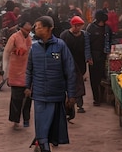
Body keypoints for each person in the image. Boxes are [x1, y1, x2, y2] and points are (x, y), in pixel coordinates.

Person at [25, 15, 77, 152]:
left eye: (40, 27)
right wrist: (27, 86)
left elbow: (70, 71)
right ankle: (43, 145)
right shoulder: (34, 48)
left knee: (53, 124)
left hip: (56, 94)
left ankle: (43, 143)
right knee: (41, 122)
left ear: (50, 29)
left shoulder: (60, 46)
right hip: (39, 94)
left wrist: (71, 94)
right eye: (36, 27)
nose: (36, 29)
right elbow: (29, 69)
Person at [3, 14, 33, 129]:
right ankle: (15, 120)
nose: (29, 28)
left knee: (28, 96)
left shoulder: (31, 38)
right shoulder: (14, 38)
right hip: (15, 71)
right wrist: (4, 69)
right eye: (27, 26)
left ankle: (26, 119)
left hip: (28, 71)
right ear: (21, 27)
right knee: (16, 98)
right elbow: (6, 53)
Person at [60, 15, 91, 115]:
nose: (78, 28)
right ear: (72, 25)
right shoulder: (65, 35)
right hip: (67, 63)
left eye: (80, 26)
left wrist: (88, 58)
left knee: (79, 84)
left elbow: (87, 47)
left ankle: (80, 105)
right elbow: (60, 49)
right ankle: (68, 105)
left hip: (80, 63)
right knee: (69, 84)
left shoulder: (84, 35)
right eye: (77, 26)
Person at [86, 10, 112, 106]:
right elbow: (87, 44)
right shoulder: (90, 28)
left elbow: (110, 41)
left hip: (103, 56)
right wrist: (88, 57)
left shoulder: (107, 29)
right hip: (93, 56)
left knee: (103, 77)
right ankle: (96, 99)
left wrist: (108, 53)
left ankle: (101, 97)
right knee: (94, 78)